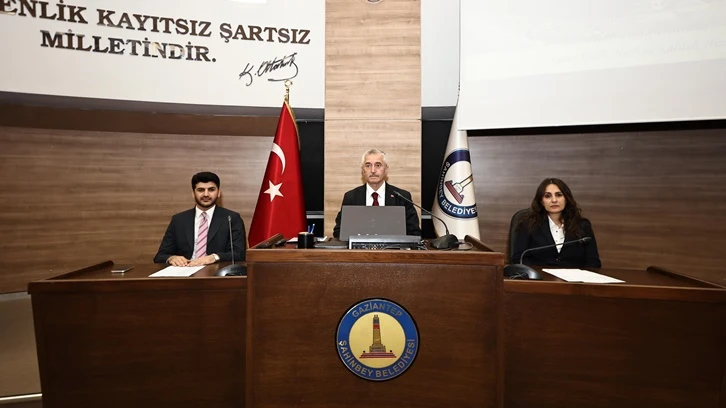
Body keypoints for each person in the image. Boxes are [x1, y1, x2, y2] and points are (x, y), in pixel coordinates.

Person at [154, 172, 246, 266]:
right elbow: (160, 256)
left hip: (215, 271)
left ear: (218, 193)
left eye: (211, 190)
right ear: (193, 193)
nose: (206, 194)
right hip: (185, 270)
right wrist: (172, 258)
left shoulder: (231, 218)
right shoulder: (178, 220)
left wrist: (214, 257)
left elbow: (239, 254)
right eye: (201, 190)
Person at [511, 178, 601, 268]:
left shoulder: (582, 226)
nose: (554, 200)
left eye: (559, 195)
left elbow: (593, 262)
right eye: (547, 196)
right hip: (539, 276)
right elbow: (519, 258)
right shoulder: (527, 225)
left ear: (566, 198)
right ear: (541, 201)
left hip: (574, 276)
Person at [333, 149, 421, 239]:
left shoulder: (401, 197)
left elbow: (414, 233)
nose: (373, 170)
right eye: (368, 166)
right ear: (363, 170)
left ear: (386, 170)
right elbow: (339, 232)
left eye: (378, 165)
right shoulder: (351, 197)